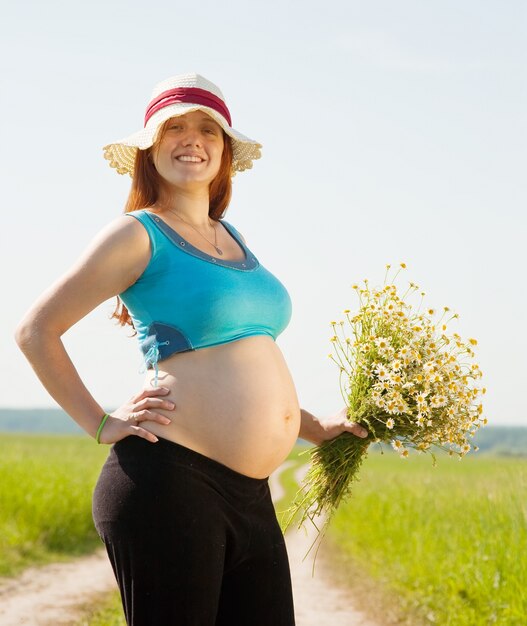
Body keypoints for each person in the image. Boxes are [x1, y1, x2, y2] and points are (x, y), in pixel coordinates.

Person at [15, 73, 368, 626]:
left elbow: (242, 363)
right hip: (169, 484)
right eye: (173, 127)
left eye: (208, 129)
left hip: (251, 496)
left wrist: (312, 425)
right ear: (149, 148)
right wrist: (100, 421)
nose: (192, 138)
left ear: (226, 152)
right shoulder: (137, 234)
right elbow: (36, 330)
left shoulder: (234, 240)